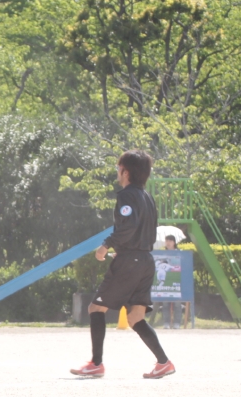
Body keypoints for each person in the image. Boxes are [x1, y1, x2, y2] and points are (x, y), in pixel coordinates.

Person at [70, 150, 175, 380]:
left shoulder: (127, 195)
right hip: (146, 260)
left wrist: (106, 245)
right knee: (136, 317)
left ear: (126, 172)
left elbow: (128, 226)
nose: (117, 172)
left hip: (130, 261)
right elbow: (144, 230)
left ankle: (96, 364)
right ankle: (163, 363)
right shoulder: (148, 197)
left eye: (119, 168)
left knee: (96, 309)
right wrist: (130, 250)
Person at [155, 235, 184, 329]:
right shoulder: (162, 254)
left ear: (174, 242)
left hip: (177, 282)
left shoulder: (180, 253)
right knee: (165, 303)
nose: (168, 243)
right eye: (166, 240)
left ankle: (177, 323)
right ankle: (166, 323)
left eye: (170, 241)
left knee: (177, 303)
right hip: (166, 282)